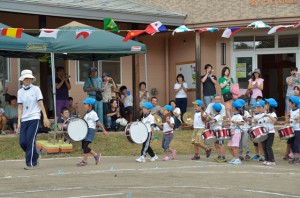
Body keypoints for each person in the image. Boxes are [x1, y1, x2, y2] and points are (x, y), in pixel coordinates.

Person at [17, 69, 50, 170]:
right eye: (26, 78)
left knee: (30, 140)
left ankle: (31, 163)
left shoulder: (36, 89)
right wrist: (19, 121)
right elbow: (20, 107)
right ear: (23, 79)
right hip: (24, 118)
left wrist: (45, 117)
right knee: (22, 142)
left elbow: (40, 103)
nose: (28, 80)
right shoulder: (20, 91)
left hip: (34, 117)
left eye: (30, 78)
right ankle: (35, 155)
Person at [77, 97, 107, 166]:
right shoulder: (86, 114)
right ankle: (88, 159)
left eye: (85, 104)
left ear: (90, 105)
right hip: (85, 131)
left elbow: (98, 122)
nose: (84, 105)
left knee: (85, 146)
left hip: (90, 131)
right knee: (83, 146)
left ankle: (93, 156)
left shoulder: (93, 113)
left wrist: (104, 130)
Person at [261, 98, 278, 166]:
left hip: (270, 132)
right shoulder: (265, 113)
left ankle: (272, 160)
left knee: (268, 146)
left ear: (269, 105)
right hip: (264, 132)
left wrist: (268, 115)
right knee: (264, 146)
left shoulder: (273, 113)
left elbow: (275, 120)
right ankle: (267, 159)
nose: (264, 105)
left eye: (266, 104)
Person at [228, 100, 244, 165]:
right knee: (229, 146)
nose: (231, 107)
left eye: (232, 106)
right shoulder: (234, 115)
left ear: (234, 108)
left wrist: (235, 122)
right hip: (232, 132)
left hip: (236, 132)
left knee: (234, 146)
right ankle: (235, 157)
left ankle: (237, 159)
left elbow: (242, 123)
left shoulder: (239, 116)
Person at [287, 96, 300, 164]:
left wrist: (298, 118)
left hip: (298, 129)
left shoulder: (298, 110)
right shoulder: (291, 111)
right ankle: (295, 157)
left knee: (296, 144)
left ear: (294, 104)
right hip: (291, 129)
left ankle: (298, 158)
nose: (288, 103)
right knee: (292, 143)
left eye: (290, 102)